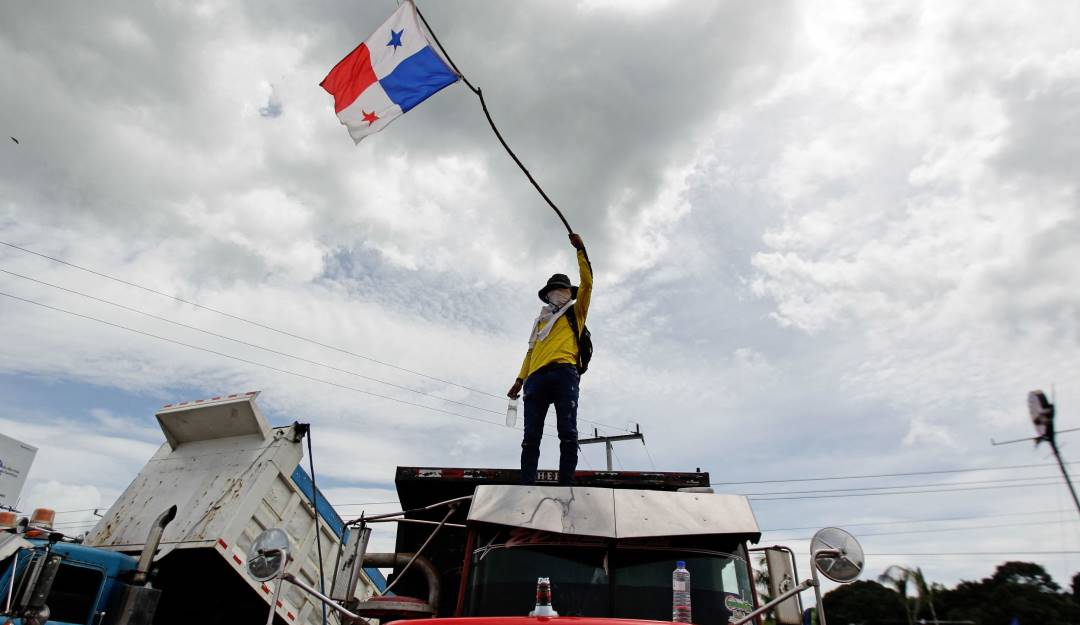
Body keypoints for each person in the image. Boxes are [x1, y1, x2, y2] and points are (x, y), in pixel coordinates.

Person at [508, 233, 592, 485]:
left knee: (567, 433)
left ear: (569, 293)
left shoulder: (575, 313)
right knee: (530, 436)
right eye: (554, 290)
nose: (558, 293)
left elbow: (588, 284)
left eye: (562, 289)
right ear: (547, 295)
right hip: (535, 379)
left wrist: (581, 251)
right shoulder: (540, 321)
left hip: (564, 373)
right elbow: (530, 352)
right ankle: (527, 485)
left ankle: (566, 485)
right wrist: (519, 379)